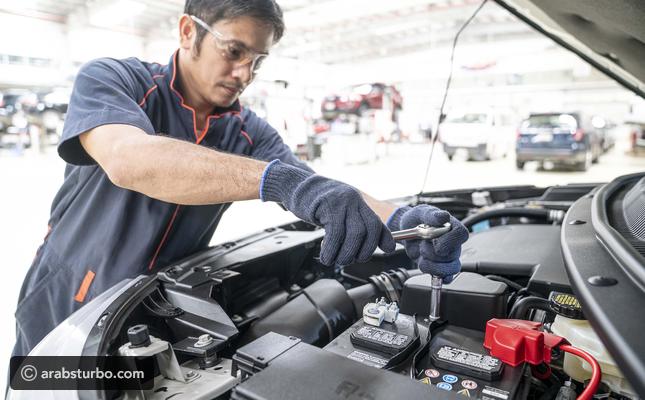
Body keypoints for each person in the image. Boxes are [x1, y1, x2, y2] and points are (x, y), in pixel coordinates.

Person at [12, 0, 468, 357]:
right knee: (43, 388)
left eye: (258, 61)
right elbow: (130, 160)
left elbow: (318, 191)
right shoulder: (115, 79)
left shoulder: (248, 131)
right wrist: (276, 181)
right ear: (188, 31)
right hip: (67, 298)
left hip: (155, 308)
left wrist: (403, 219)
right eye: (234, 52)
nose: (244, 74)